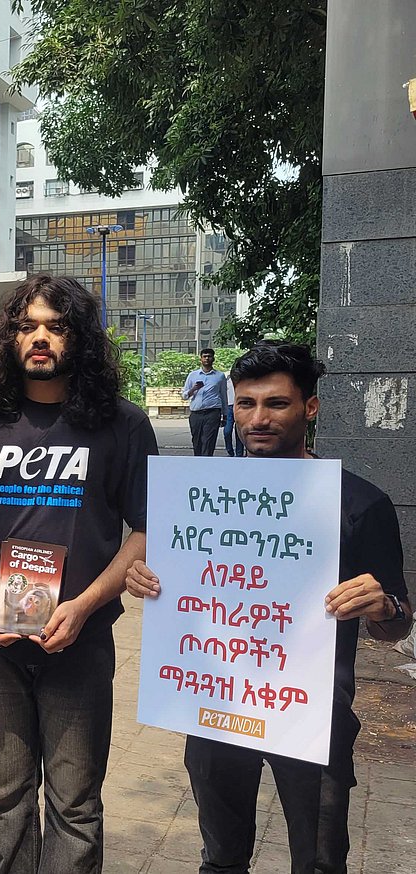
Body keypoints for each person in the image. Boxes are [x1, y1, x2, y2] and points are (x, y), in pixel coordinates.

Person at [126, 342, 412, 874]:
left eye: (276, 403)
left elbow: (397, 625)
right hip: (214, 706)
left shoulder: (358, 503)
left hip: (311, 713)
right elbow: (174, 579)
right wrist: (142, 577)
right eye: (245, 403)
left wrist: (383, 606)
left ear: (310, 408)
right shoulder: (198, 499)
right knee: (221, 857)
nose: (258, 419)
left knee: (320, 860)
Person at [0, 274, 158, 874]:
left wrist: (84, 605)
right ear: (9, 337)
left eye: (56, 328)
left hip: (81, 639)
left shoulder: (123, 425)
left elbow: (146, 528)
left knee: (75, 804)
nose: (40, 338)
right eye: (27, 326)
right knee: (4, 798)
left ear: (79, 339)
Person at [181, 348, 227, 456]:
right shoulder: (193, 375)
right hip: (196, 413)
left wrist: (225, 415)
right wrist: (194, 389)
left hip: (212, 413)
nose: (207, 358)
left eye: (209, 356)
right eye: (204, 356)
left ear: (213, 359)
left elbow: (223, 395)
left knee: (208, 440)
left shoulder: (220, 376)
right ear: (200, 359)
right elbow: (184, 396)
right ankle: (198, 461)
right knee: (196, 441)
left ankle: (207, 461)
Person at [222, 374, 244, 457]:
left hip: (240, 405)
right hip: (229, 407)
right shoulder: (226, 381)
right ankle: (230, 451)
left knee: (239, 431)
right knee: (227, 431)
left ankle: (239, 454)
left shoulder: (242, 380)